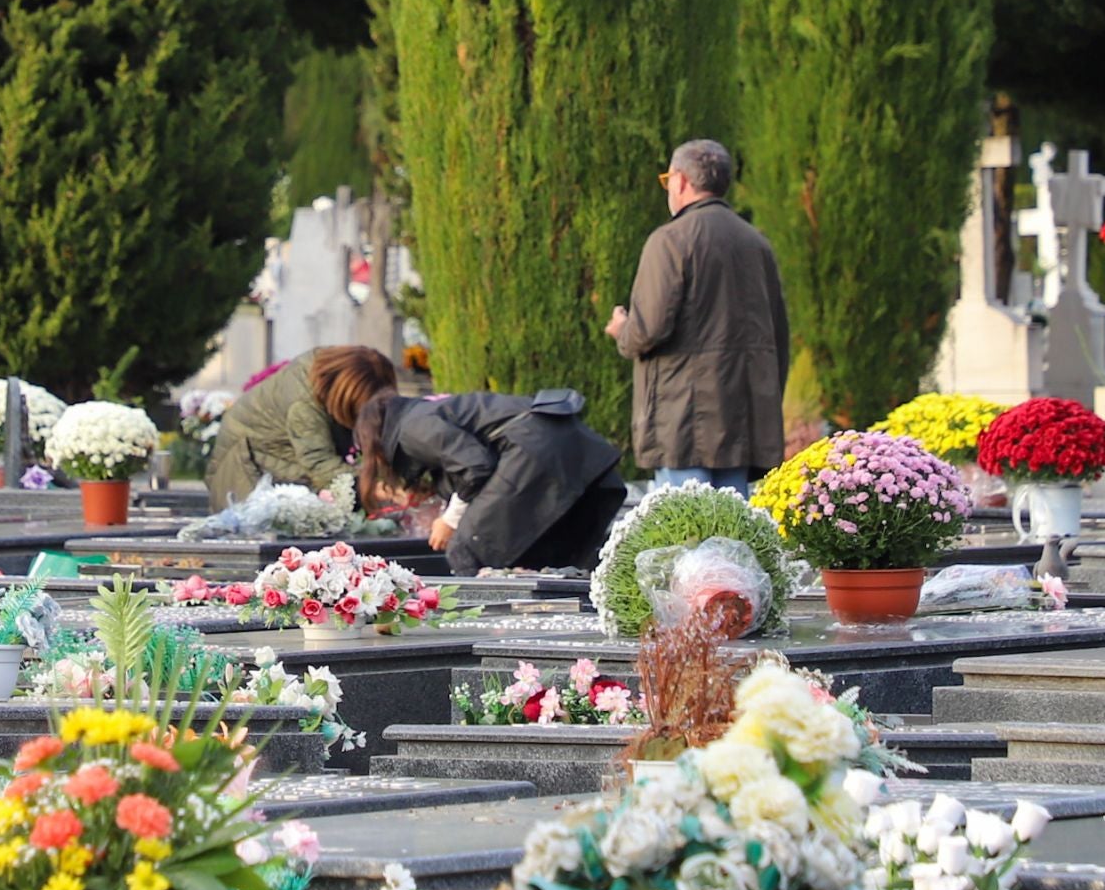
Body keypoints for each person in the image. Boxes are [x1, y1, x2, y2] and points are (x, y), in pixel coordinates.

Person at [605, 138, 789, 492]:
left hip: (684, 423)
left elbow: (648, 330)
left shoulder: (670, 240)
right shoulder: (756, 243)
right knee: (733, 536)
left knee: (683, 536)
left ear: (681, 181)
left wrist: (623, 329)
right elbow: (778, 335)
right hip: (743, 420)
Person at [354, 388, 625, 574]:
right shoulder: (429, 413)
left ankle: (474, 641)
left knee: (467, 549)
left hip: (532, 452)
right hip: (571, 447)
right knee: (547, 556)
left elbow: (475, 466)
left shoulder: (412, 427)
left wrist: (450, 521)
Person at [204, 346, 397, 509]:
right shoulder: (305, 405)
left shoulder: (330, 374)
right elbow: (320, 465)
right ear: (345, 398)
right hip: (243, 472)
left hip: (265, 461)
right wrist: (377, 487)